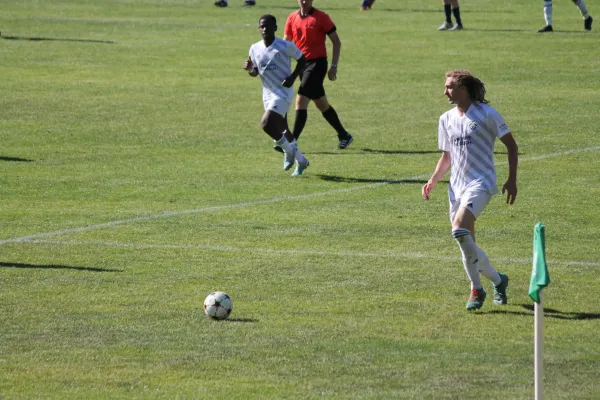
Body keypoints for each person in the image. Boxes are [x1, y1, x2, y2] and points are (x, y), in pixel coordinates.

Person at [421, 69, 518, 310]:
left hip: (481, 183)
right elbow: (447, 156)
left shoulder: (487, 114)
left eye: (450, 87)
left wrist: (511, 179)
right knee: (466, 244)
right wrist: (433, 180)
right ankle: (498, 280)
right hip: (456, 187)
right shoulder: (445, 119)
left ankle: (476, 289)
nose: (445, 91)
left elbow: (512, 146)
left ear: (463, 89)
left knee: (458, 229)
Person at [282, 0, 354, 151]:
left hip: (317, 64)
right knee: (321, 103)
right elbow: (285, 44)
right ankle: (344, 135)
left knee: (301, 99)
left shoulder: (321, 17)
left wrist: (334, 66)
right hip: (302, 65)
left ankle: (291, 141)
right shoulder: (292, 17)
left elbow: (336, 42)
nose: (304, 0)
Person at [243, 14, 310, 176]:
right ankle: (301, 161)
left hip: (283, 92)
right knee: (282, 128)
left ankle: (288, 150)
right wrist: (250, 69)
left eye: (268, 26)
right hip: (267, 94)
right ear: (259, 29)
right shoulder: (254, 48)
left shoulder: (285, 46)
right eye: (262, 26)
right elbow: (256, 72)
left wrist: (293, 78)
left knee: (266, 123)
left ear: (275, 28)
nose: (265, 29)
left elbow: (303, 61)